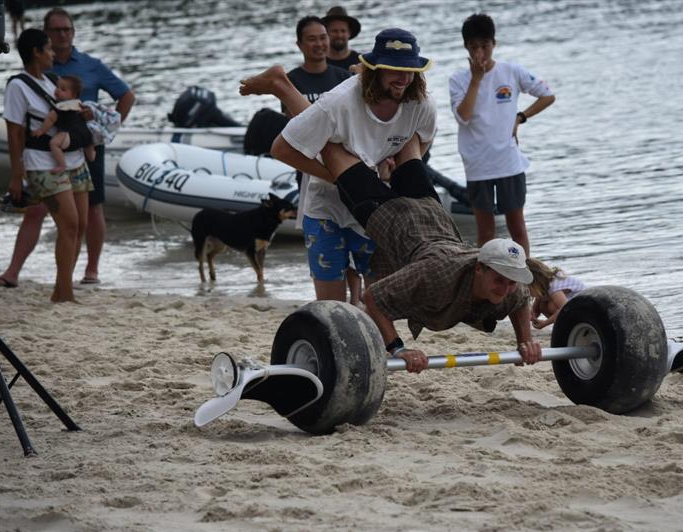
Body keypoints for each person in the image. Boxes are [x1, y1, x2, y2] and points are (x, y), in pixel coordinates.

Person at [239, 28, 542, 373]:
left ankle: (368, 354)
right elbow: (282, 148)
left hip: (395, 213)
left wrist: (392, 169)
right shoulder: (339, 103)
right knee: (333, 305)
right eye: (394, 70)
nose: (403, 78)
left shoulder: (418, 103)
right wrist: (334, 176)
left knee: (408, 154)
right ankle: (282, 84)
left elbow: (420, 143)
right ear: (376, 69)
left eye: (409, 71)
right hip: (327, 205)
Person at [0, 7, 135, 289]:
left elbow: (126, 95)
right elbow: (18, 126)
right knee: (43, 213)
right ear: (44, 40)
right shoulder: (41, 77)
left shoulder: (88, 64)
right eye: (57, 31)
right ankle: (15, 272)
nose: (63, 35)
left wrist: (102, 131)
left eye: (68, 29)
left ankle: (89, 271)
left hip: (83, 145)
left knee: (91, 211)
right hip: (49, 155)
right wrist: (17, 172)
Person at [449, 13, 555, 255]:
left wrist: (521, 116)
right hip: (478, 164)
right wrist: (476, 80)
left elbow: (547, 95)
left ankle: (526, 280)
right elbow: (463, 116)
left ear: (494, 44)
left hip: (509, 162)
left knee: (517, 227)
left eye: (485, 46)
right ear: (466, 47)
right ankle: (487, 285)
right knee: (486, 232)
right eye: (474, 47)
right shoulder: (458, 79)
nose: (480, 53)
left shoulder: (512, 71)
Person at [284, 16, 371, 305]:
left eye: (323, 37)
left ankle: (356, 300)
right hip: (313, 172)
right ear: (300, 44)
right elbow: (297, 128)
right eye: (312, 38)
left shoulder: (341, 78)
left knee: (355, 237)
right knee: (327, 244)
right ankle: (338, 301)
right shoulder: (293, 81)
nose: (320, 43)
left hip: (346, 169)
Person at [0, 28, 92, 301]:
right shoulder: (18, 86)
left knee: (81, 225)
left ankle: (61, 288)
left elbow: (66, 114)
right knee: (70, 224)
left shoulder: (53, 81)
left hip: (73, 160)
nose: (53, 53)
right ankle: (64, 293)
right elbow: (15, 132)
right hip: (42, 163)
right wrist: (18, 174)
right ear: (36, 53)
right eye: (48, 49)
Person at [31, 74, 96, 173]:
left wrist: (41, 130)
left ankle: (61, 165)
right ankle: (91, 156)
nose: (57, 90)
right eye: (57, 87)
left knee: (54, 144)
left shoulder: (59, 107)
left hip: (70, 135)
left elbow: (50, 119)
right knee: (89, 149)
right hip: (86, 135)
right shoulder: (79, 104)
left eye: (63, 89)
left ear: (74, 95)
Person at [526, 258, 585, 329]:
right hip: (571, 306)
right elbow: (536, 309)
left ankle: (568, 324)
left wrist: (545, 323)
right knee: (542, 305)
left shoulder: (553, 286)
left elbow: (564, 308)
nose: (526, 291)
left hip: (582, 306)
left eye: (527, 287)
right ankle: (562, 324)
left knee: (552, 306)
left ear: (536, 282)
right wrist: (532, 317)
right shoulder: (542, 288)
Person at [321, 6, 361, 72]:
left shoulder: (361, 62)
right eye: (334, 31)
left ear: (349, 33)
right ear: (326, 33)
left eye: (343, 31)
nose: (339, 35)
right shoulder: (319, 63)